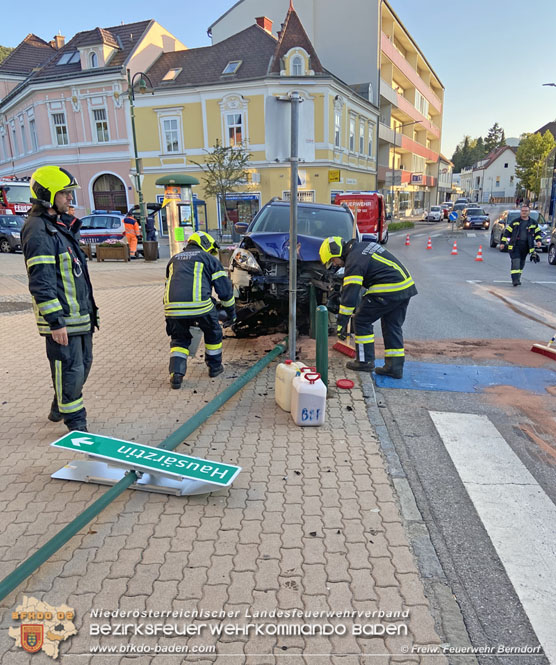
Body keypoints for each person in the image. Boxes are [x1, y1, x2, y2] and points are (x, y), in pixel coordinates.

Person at [21, 165, 98, 432]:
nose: (70, 199)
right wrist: (55, 321)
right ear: (47, 195)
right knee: (70, 370)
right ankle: (76, 424)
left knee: (82, 366)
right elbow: (41, 280)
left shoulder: (58, 226)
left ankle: (59, 405)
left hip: (79, 315)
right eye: (64, 193)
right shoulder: (38, 230)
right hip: (63, 319)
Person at [319, 235, 417, 378]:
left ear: (337, 252)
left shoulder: (354, 260)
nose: (335, 265)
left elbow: (350, 294)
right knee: (392, 325)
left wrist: (342, 322)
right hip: (404, 287)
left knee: (361, 320)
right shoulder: (361, 248)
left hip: (388, 289)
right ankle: (394, 368)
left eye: (333, 260)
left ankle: (365, 362)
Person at [164, 231, 235, 388]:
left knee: (179, 339)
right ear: (205, 244)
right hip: (201, 306)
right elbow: (224, 290)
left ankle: (176, 374)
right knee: (213, 332)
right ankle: (215, 367)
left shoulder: (174, 259)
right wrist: (231, 312)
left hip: (172, 309)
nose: (211, 253)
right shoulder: (207, 259)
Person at [500, 204, 542, 286]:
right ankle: (515, 280)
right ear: (520, 212)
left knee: (521, 263)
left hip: (526, 246)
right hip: (515, 245)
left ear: (529, 212)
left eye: (526, 211)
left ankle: (518, 278)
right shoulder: (515, 222)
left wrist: (539, 241)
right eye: (522, 211)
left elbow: (538, 232)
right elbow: (507, 232)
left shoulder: (533, 223)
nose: (524, 212)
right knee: (516, 262)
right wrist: (502, 243)